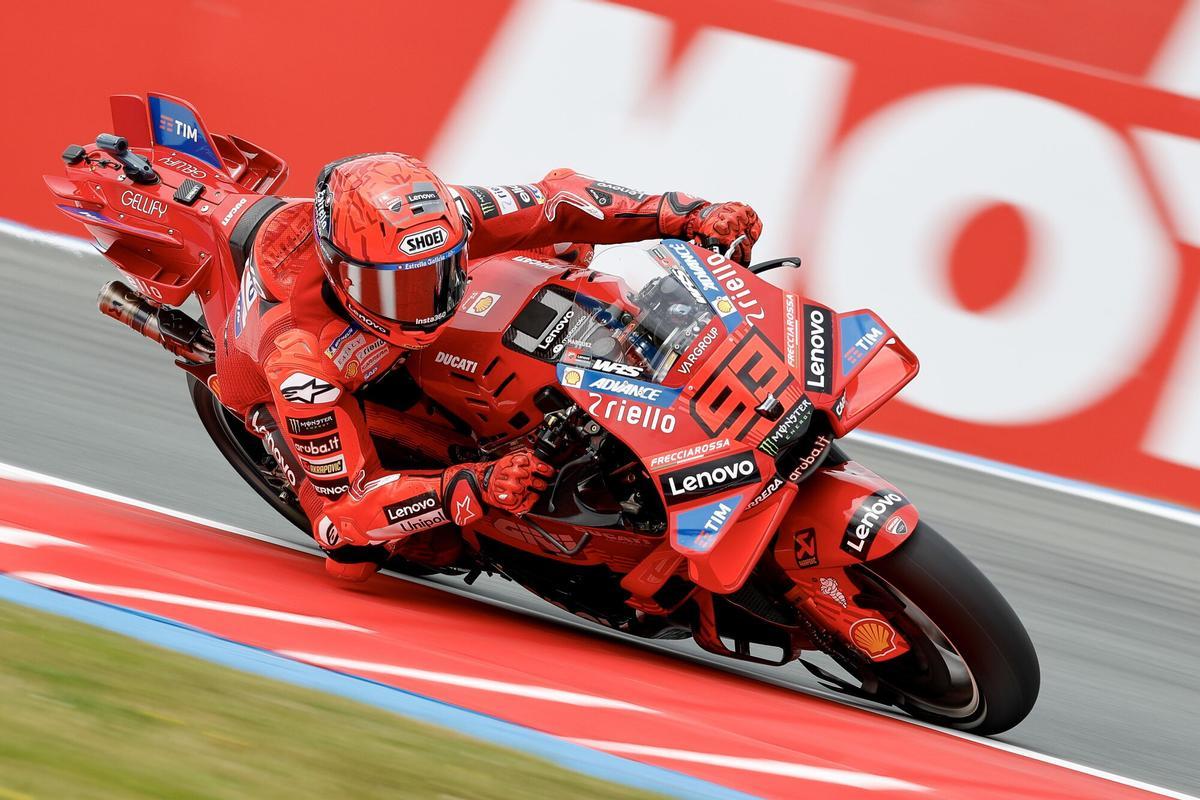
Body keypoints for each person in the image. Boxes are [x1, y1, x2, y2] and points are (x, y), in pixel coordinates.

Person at [214, 152, 762, 581]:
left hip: (438, 326)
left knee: (569, 247)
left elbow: (562, 198)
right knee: (356, 549)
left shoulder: (446, 216)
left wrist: (688, 215)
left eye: (436, 272)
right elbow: (349, 510)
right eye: (397, 288)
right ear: (342, 273)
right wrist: (472, 487)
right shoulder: (297, 361)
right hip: (288, 378)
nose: (422, 300)